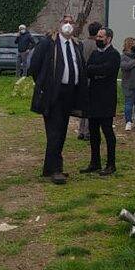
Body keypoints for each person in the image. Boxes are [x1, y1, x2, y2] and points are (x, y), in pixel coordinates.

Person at [29, 14, 87, 185]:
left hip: (70, 93)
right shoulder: (49, 43)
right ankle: (56, 170)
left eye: (71, 22)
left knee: (61, 131)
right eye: (65, 22)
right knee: (54, 131)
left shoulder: (77, 45)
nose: (68, 25)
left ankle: (49, 167)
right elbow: (34, 67)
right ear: (60, 24)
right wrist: (44, 85)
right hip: (53, 94)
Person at [81, 27, 121, 175]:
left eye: (101, 37)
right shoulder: (95, 53)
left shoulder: (114, 55)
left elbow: (107, 70)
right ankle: (95, 162)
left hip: (106, 99)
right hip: (93, 98)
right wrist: (95, 71)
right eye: (97, 36)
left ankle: (111, 164)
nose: (98, 39)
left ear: (108, 39)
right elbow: (87, 69)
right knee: (93, 132)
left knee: (107, 131)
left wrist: (94, 70)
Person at [79, 21, 102, 141]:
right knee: (91, 107)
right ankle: (88, 131)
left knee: (83, 106)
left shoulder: (82, 43)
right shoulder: (97, 46)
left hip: (82, 78)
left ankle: (81, 131)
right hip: (92, 78)